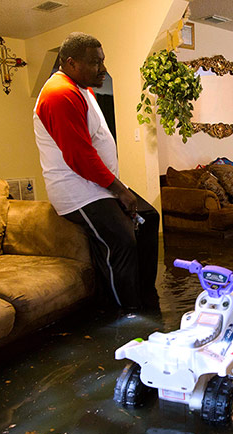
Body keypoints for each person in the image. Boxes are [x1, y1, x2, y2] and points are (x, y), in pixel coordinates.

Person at [33, 32, 159, 312]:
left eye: (102, 61)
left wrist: (115, 186)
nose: (103, 69)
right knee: (122, 240)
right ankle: (125, 312)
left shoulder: (82, 89)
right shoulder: (59, 94)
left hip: (97, 185)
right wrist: (120, 191)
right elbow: (80, 157)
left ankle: (143, 293)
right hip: (78, 191)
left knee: (148, 218)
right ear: (70, 63)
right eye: (95, 63)